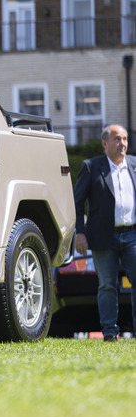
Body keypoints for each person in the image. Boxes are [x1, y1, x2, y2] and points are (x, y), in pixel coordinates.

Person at [74, 124, 136, 341]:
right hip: (103, 237)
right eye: (117, 139)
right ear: (104, 143)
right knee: (107, 285)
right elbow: (77, 203)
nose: (123, 144)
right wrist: (79, 233)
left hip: (132, 236)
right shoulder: (91, 167)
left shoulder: (134, 164)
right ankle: (110, 333)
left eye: (125, 139)